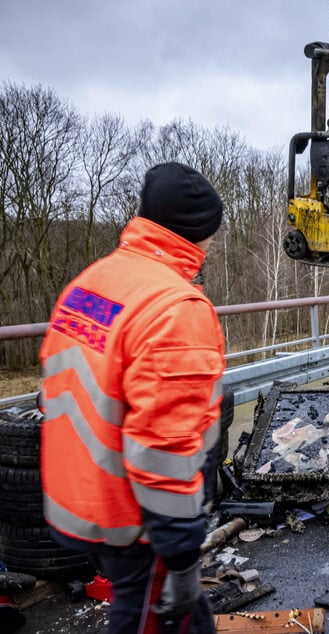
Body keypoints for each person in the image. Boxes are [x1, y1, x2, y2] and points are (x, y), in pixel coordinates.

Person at [40, 162, 225, 633]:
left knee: (187, 619)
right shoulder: (177, 309)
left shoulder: (92, 282)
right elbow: (164, 449)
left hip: (82, 490)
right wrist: (182, 556)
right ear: (197, 234)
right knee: (146, 614)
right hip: (138, 518)